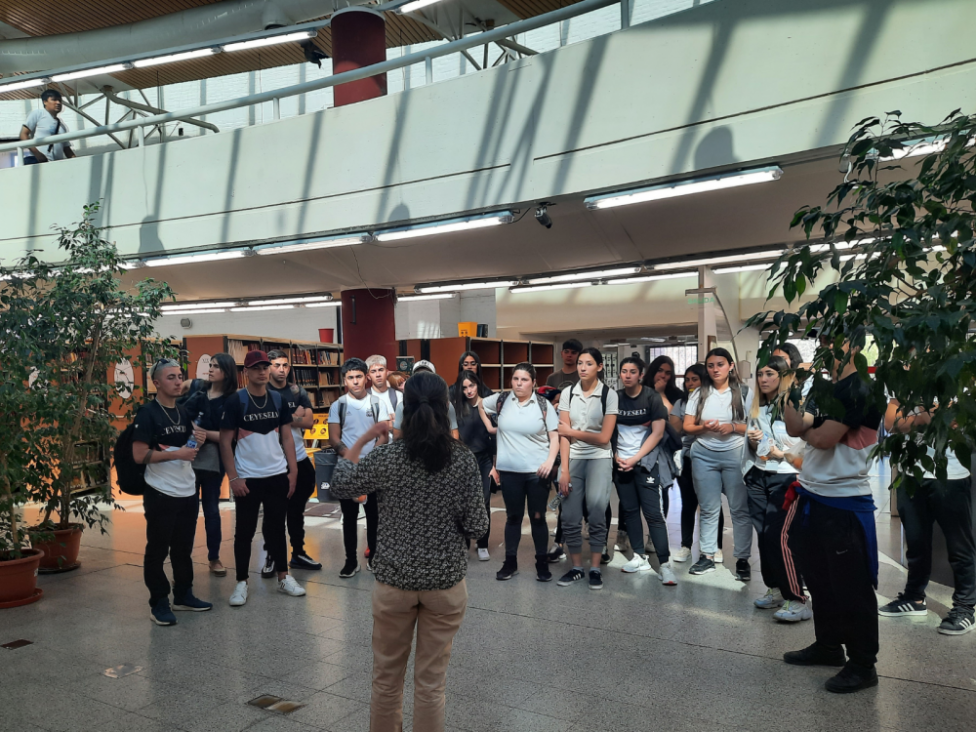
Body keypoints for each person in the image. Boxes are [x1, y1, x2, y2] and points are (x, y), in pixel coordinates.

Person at [331, 372, 488, 732]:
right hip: (444, 585)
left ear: (403, 411)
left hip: (394, 584)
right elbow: (479, 527)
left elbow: (341, 484)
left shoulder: (387, 458)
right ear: (445, 409)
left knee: (386, 680)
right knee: (431, 683)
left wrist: (365, 440)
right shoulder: (462, 461)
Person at [781, 328, 883, 693]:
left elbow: (820, 438)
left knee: (851, 587)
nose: (826, 346)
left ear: (855, 343)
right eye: (823, 341)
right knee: (820, 580)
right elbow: (796, 427)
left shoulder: (864, 388)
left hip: (845, 502)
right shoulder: (822, 389)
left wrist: (816, 430)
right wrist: (792, 383)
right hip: (812, 494)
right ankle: (828, 645)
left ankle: (862, 664)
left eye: (833, 340)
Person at [880, 394, 975, 635]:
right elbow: (891, 423)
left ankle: (965, 607)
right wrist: (934, 414)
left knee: (959, 545)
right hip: (910, 474)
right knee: (916, 541)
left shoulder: (954, 374)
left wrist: (914, 416)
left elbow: (959, 420)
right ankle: (914, 598)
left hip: (950, 475)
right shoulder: (903, 374)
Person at [219, 350, 305, 606]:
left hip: (277, 475)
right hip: (248, 478)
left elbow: (287, 436)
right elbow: (225, 442)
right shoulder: (236, 401)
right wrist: (233, 478)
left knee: (278, 529)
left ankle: (283, 577)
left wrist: (293, 471)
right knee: (244, 532)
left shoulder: (277, 399)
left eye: (265, 366)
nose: (262, 371)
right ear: (246, 372)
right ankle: (242, 583)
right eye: (256, 367)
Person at [133, 359, 213, 626]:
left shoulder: (183, 411)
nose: (178, 381)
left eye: (180, 376)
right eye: (170, 377)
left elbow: (188, 450)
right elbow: (139, 454)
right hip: (160, 492)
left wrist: (197, 441)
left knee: (183, 548)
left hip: (187, 490)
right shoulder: (147, 413)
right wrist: (178, 453)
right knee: (157, 550)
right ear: (156, 383)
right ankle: (159, 602)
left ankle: (183, 595)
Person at [743, 356, 809, 621]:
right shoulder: (759, 407)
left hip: (788, 476)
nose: (763, 379)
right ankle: (776, 589)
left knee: (778, 536)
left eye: (769, 374)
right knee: (763, 535)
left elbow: (805, 443)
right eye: (760, 374)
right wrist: (752, 440)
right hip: (759, 475)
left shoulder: (795, 404)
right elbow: (756, 449)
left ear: (783, 376)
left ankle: (798, 598)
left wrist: (780, 454)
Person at [481, 363, 559, 582]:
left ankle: (542, 564)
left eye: (524, 380)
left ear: (533, 382)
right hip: (510, 472)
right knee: (513, 517)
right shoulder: (502, 400)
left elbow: (555, 437)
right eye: (515, 379)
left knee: (537, 518)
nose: (519, 383)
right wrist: (490, 427)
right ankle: (510, 562)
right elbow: (480, 405)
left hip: (537, 472)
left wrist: (550, 461)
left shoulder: (543, 405)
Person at [683, 348, 752, 579]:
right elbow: (688, 426)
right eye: (711, 365)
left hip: (735, 453)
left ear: (730, 366)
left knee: (739, 509)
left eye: (720, 364)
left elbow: (754, 426)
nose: (715, 369)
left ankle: (742, 559)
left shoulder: (743, 392)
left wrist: (732, 427)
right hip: (704, 454)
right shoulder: (699, 393)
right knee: (709, 508)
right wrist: (705, 427)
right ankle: (707, 556)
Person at [556, 348, 619, 590]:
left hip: (600, 458)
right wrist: (564, 469)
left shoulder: (609, 395)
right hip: (573, 458)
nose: (582, 367)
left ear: (599, 367)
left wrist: (572, 433)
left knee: (595, 511)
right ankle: (576, 567)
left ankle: (594, 567)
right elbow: (562, 436)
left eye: (588, 363)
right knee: (570, 516)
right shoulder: (567, 393)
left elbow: (604, 438)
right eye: (580, 363)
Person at [613, 356, 676, 584]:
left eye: (632, 371)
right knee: (629, 511)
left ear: (641, 374)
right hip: (621, 464)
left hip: (646, 462)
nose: (627, 375)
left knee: (653, 515)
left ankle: (665, 564)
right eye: (624, 371)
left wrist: (635, 459)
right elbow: (609, 431)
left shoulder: (651, 397)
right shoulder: (615, 399)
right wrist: (617, 457)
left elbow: (658, 433)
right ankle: (639, 556)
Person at [328, 358, 390, 577]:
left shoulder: (377, 404)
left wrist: (369, 460)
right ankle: (350, 561)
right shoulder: (338, 406)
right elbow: (334, 438)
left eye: (359, 377)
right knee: (349, 517)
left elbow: (383, 435)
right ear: (345, 380)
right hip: (349, 470)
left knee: (374, 516)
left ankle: (374, 557)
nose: (355, 382)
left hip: (372, 469)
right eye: (350, 378)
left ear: (367, 377)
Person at [266, 350, 321, 572]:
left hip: (298, 456)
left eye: (285, 365)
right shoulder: (263, 392)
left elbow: (309, 422)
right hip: (273, 461)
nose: (282, 369)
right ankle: (271, 555)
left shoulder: (297, 391)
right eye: (277, 365)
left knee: (297, 509)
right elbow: (267, 424)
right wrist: (293, 417)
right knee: (273, 511)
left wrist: (286, 419)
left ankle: (298, 552)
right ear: (268, 367)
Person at [183, 353, 237, 577]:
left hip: (213, 462)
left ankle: (213, 557)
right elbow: (181, 417)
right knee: (188, 511)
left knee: (212, 511)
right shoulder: (198, 392)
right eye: (210, 365)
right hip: (190, 459)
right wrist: (192, 429)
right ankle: (183, 556)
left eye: (216, 366)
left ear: (226, 371)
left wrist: (205, 433)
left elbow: (230, 436)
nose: (211, 369)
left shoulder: (232, 400)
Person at [670, 364, 725, 562]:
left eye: (695, 379)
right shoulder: (681, 403)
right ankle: (685, 546)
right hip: (687, 457)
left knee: (711, 504)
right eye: (687, 380)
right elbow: (678, 429)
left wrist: (693, 427)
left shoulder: (716, 400)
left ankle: (715, 547)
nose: (690, 383)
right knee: (688, 503)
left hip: (711, 457)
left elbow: (713, 428)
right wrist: (695, 427)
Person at [452, 371, 498, 561]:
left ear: (478, 384)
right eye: (464, 387)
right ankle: (464, 543)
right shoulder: (456, 408)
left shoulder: (487, 405)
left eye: (471, 385)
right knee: (462, 504)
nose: (469, 390)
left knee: (484, 502)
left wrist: (496, 466)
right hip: (463, 461)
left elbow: (497, 436)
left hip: (485, 460)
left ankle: (483, 543)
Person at [392, 361, 459, 440]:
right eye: (419, 375)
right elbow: (397, 435)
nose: (423, 379)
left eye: (427, 375)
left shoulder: (446, 405)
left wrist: (453, 449)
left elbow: (454, 432)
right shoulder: (402, 406)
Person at [20, 90, 75, 165]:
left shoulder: (62, 126)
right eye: (54, 99)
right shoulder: (38, 114)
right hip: (40, 163)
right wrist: (37, 154)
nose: (58, 103)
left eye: (59, 100)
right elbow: (23, 134)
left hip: (56, 165)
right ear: (45, 101)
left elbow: (66, 149)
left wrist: (78, 162)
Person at [366, 355, 399, 423]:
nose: (378, 374)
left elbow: (401, 422)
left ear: (387, 372)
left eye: (381, 370)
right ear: (368, 376)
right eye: (373, 371)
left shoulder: (398, 395)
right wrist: (391, 418)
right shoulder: (364, 397)